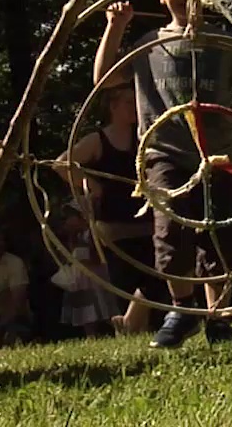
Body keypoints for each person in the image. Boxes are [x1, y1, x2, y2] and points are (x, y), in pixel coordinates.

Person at [94, 0, 232, 349]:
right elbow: (103, 79)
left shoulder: (223, 43)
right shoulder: (147, 44)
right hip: (164, 155)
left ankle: (217, 316)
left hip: (217, 156)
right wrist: (116, 26)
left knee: (219, 240)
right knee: (169, 238)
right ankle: (181, 309)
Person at [52, 80, 164, 335]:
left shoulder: (144, 136)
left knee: (160, 274)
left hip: (148, 221)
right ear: (113, 107)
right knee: (129, 284)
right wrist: (90, 184)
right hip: (114, 226)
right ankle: (133, 329)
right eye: (128, 103)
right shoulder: (98, 139)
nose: (134, 108)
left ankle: (129, 323)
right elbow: (61, 165)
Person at [55, 206, 122, 336]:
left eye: (70, 218)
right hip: (82, 277)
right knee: (85, 308)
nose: (67, 222)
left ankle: (121, 326)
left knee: (104, 304)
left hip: (95, 274)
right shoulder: (76, 236)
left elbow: (98, 255)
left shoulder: (93, 232)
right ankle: (90, 334)